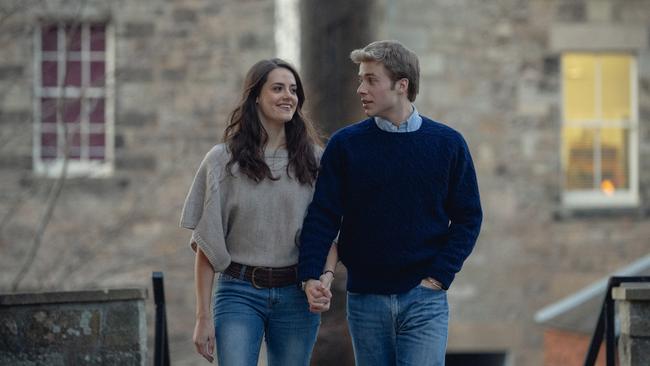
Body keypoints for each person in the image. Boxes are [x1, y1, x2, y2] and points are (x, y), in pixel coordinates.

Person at [298, 40, 483, 366]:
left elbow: (468, 218)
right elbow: (323, 215)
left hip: (424, 299)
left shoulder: (448, 144)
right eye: (360, 79)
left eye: (371, 79)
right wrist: (313, 273)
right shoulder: (346, 145)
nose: (360, 89)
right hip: (365, 300)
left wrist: (438, 277)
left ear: (402, 85)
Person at [180, 58, 336, 366]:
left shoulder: (317, 161)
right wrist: (202, 317)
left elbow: (330, 232)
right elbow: (207, 245)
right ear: (255, 97)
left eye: (293, 90)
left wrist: (324, 279)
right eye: (277, 88)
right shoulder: (222, 161)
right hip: (238, 293)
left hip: (296, 295)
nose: (287, 96)